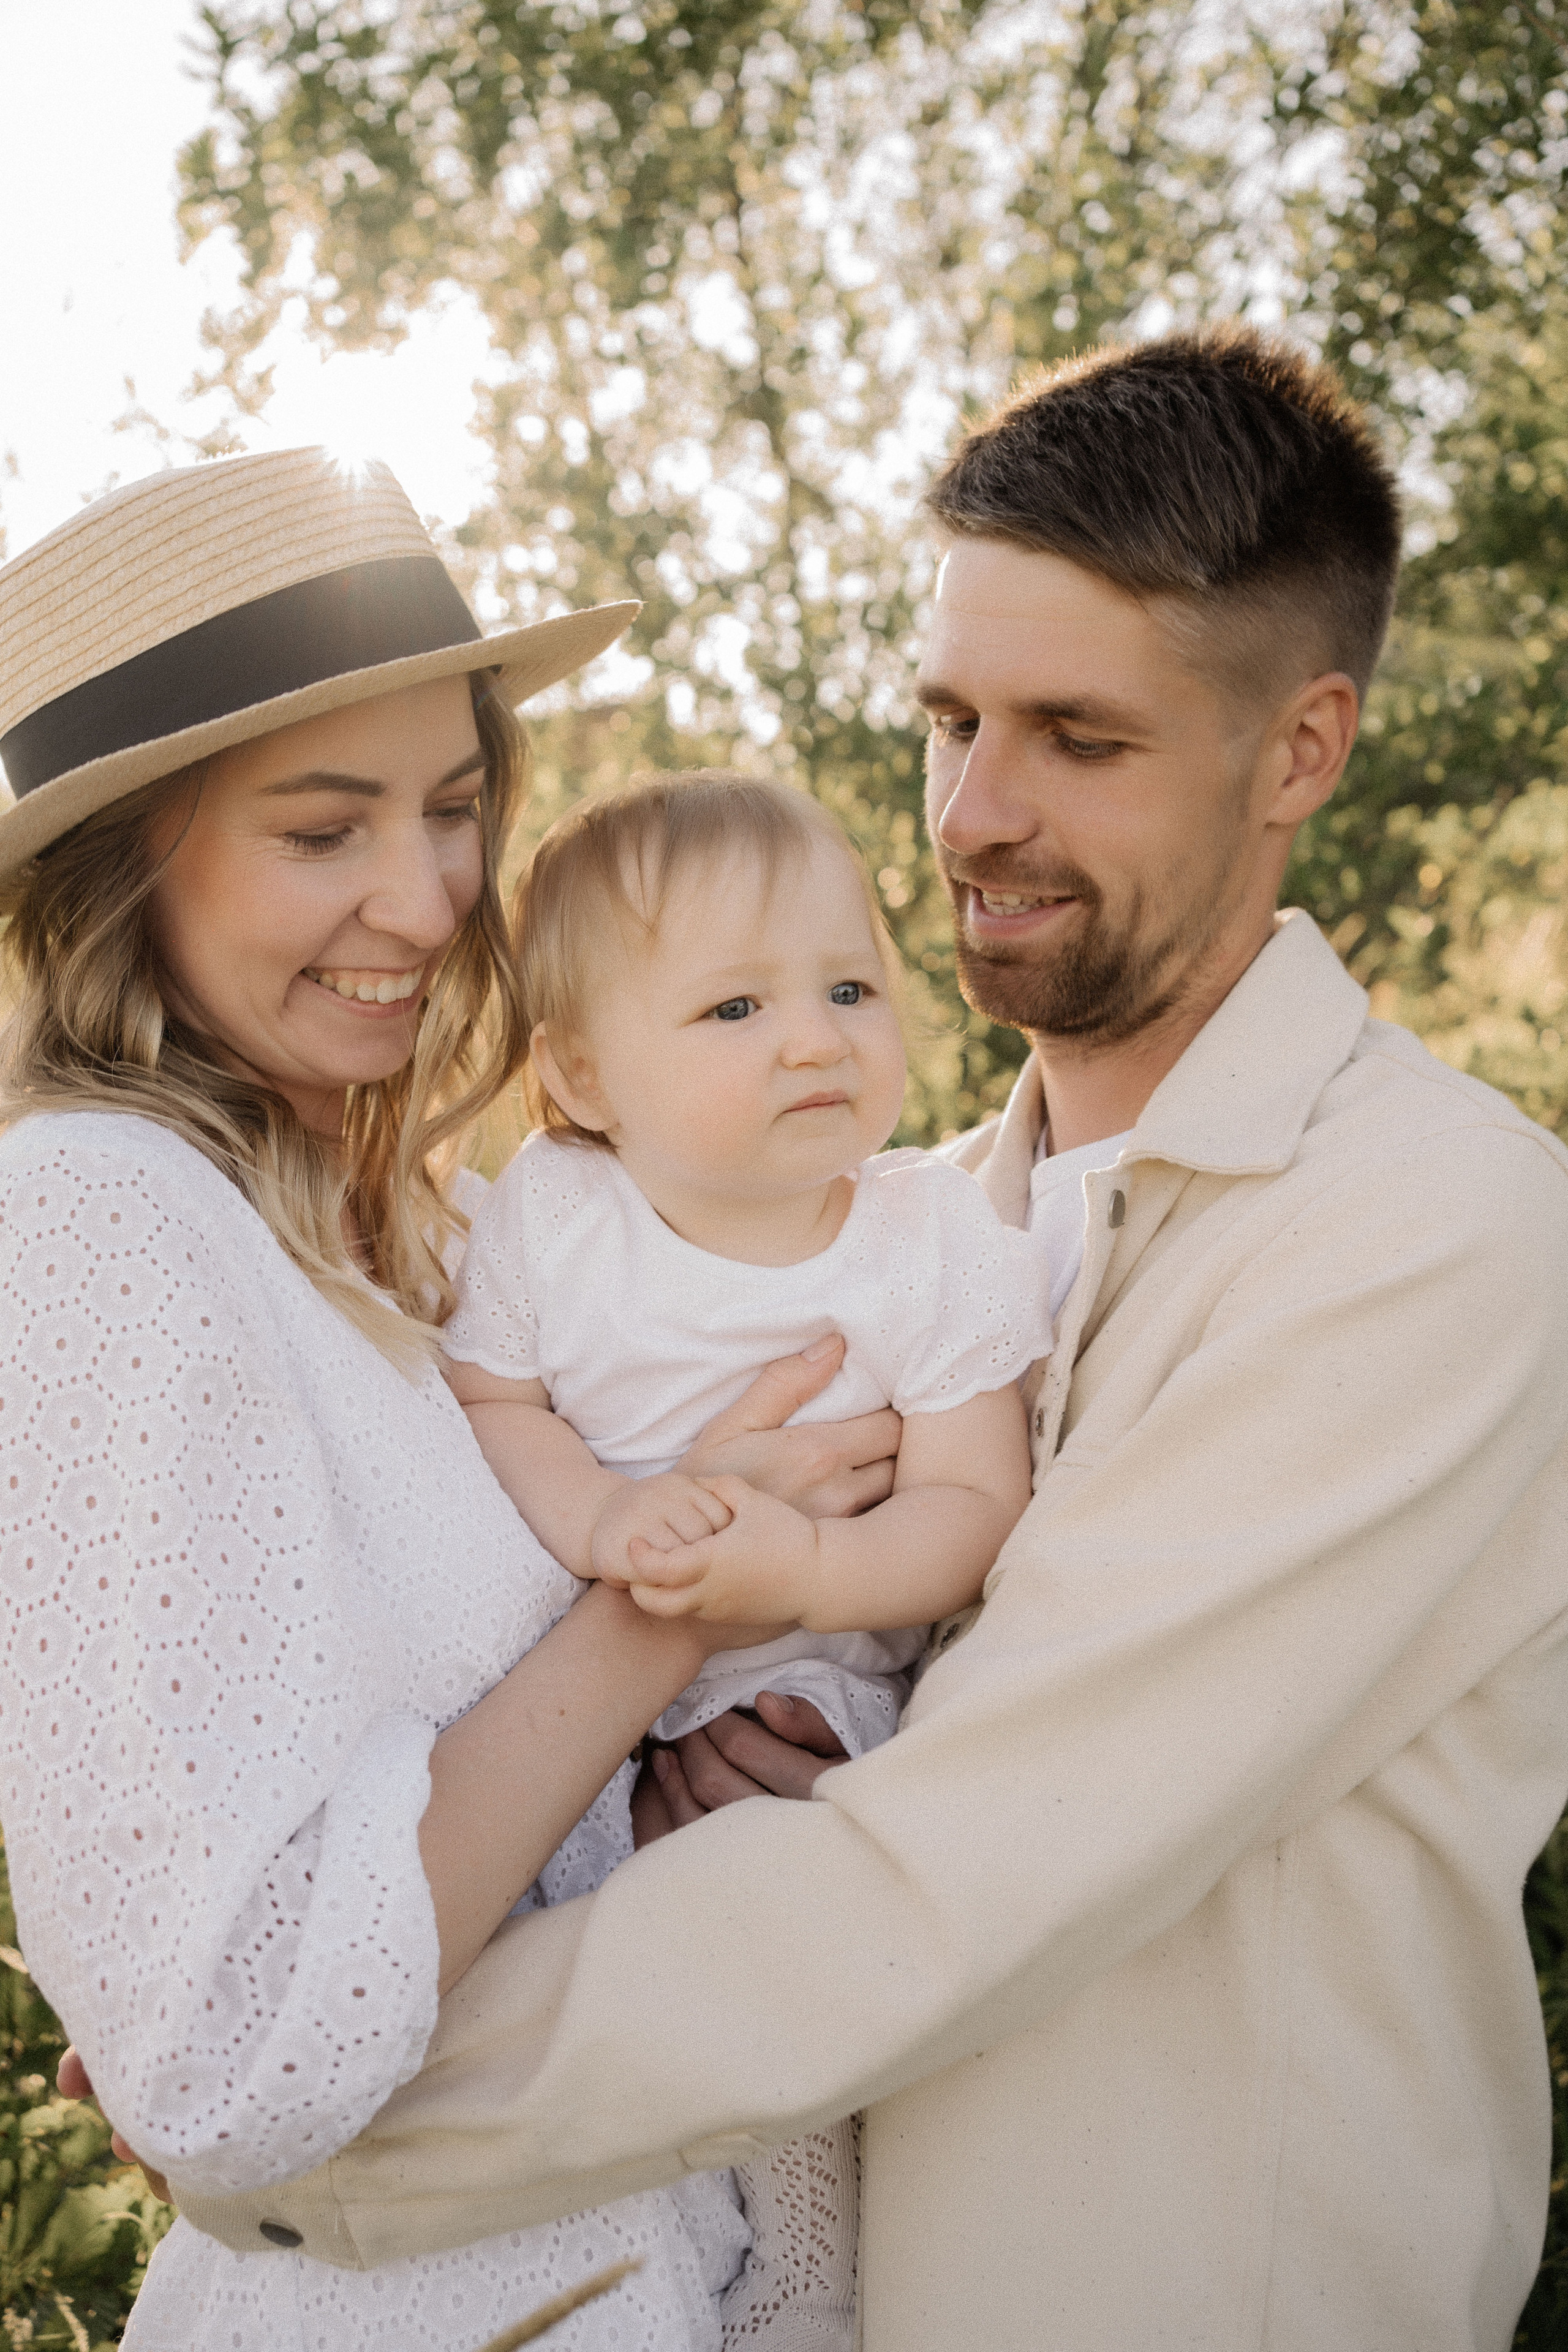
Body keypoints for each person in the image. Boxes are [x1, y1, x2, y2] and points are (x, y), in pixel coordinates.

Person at [175, 329, 1568, 2351]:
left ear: (1301, 751)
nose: (976, 814)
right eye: (950, 720)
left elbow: (980, 1857)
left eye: (1078, 738)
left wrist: (321, 2099)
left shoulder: (1432, 1230)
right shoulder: (915, 1226)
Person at [0, 448, 894, 2352]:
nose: (421, 902)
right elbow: (232, 2057)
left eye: (459, 807)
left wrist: (745, 1744)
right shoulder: (93, 1210)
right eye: (324, 833)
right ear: (127, 854)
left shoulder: (443, 1227)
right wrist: (668, 1606)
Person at [443, 769, 1042, 1763]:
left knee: (800, 1753)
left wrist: (813, 1568)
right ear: (584, 1076)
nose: (816, 1041)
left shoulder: (929, 1234)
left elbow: (974, 1506)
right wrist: (603, 1519)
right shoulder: (556, 1208)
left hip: (813, 1674)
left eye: (849, 990)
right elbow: (494, 1407)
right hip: (571, 1674)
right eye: (735, 1008)